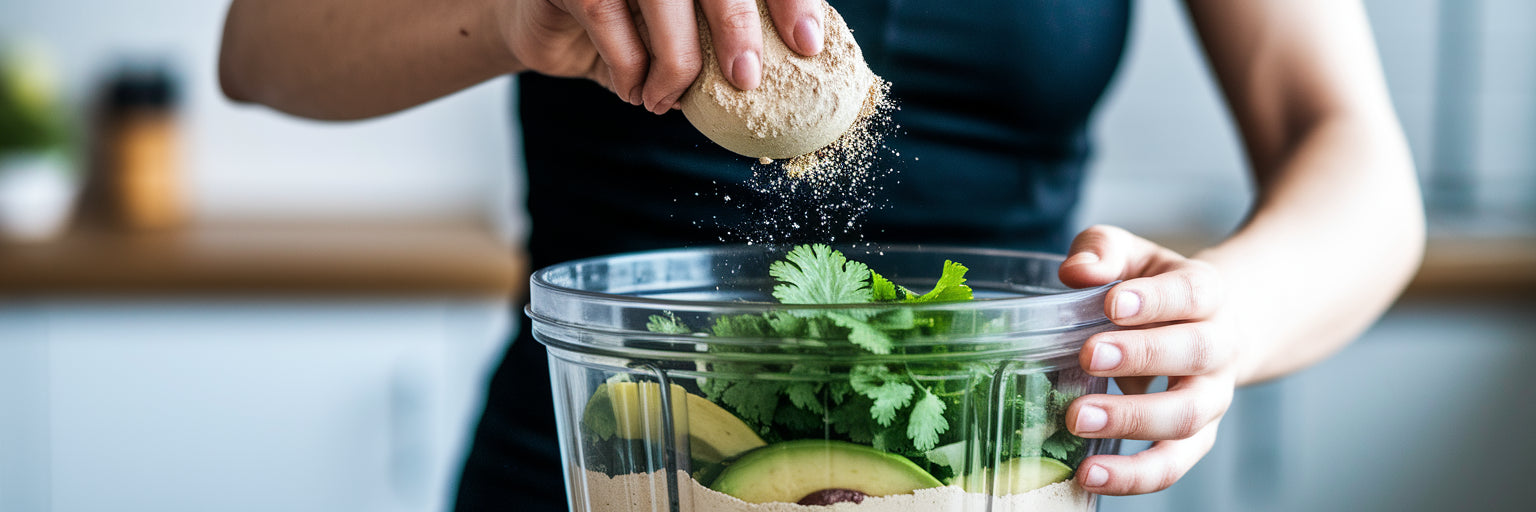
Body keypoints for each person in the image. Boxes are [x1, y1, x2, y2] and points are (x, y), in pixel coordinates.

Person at [218, 0, 1424, 510]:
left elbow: (1353, 151)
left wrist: (1228, 316)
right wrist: (532, 10)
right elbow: (263, 47)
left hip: (991, 456)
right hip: (612, 460)